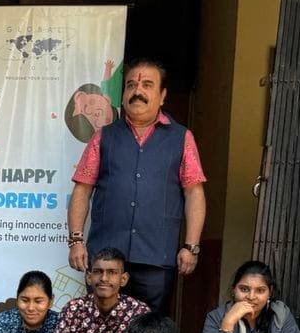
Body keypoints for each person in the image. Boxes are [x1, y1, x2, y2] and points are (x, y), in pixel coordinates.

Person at [66, 59, 206, 313]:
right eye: (131, 85)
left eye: (147, 85)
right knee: (102, 326)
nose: (137, 91)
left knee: (148, 329)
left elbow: (194, 192)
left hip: (156, 257)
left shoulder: (181, 138)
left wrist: (191, 246)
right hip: (106, 259)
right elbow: (82, 189)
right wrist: (76, 240)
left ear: (162, 96)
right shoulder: (104, 136)